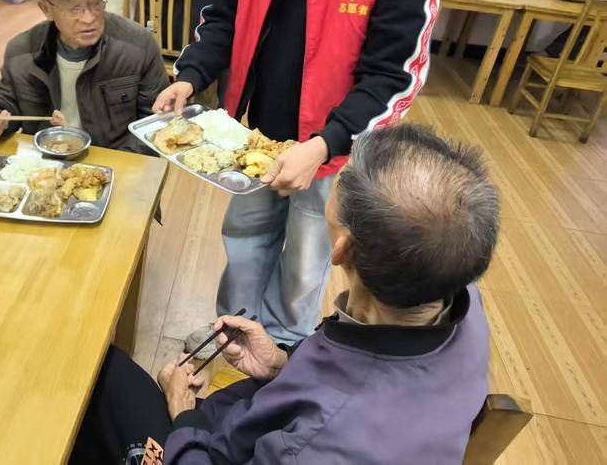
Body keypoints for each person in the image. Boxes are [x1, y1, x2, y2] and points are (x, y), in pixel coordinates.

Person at [153, 0, 441, 348]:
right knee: (245, 236)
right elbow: (223, 16)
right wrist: (191, 75)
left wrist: (326, 143)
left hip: (336, 146)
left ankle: (284, 348)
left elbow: (393, 75)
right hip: (259, 131)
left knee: (308, 257)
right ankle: (232, 335)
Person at [70, 124, 498, 464]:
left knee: (98, 378)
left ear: (342, 249)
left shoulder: (321, 443)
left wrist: (182, 412)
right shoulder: (457, 293)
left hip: (217, 448)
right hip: (264, 419)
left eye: (343, 178)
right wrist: (283, 364)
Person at [0, 0, 170, 152]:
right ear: (46, 9)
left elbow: (157, 120)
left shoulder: (138, 45)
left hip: (116, 157)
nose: (89, 18)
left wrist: (113, 163)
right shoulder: (22, 51)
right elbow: (8, 97)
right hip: (46, 160)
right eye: (74, 9)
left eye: (95, 3)